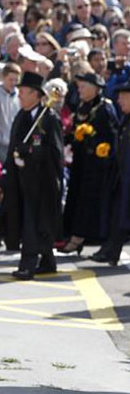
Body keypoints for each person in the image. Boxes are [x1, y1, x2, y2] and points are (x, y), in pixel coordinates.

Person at [8, 72, 64, 280]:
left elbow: (55, 151)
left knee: (35, 221)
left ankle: (28, 264)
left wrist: (31, 151)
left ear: (36, 94)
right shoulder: (22, 116)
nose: (20, 96)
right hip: (23, 178)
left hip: (43, 180)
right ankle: (48, 261)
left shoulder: (49, 118)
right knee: (30, 220)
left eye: (23, 92)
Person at [61, 72, 118, 254]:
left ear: (95, 88)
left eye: (83, 87)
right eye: (79, 87)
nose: (80, 90)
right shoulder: (81, 106)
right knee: (77, 197)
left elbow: (111, 134)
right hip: (80, 162)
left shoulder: (104, 107)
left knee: (90, 201)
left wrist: (94, 140)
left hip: (97, 164)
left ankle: (80, 237)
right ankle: (74, 235)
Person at [91, 83, 130, 266]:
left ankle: (111, 250)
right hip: (121, 177)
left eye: (123, 96)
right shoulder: (125, 120)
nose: (119, 100)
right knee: (117, 215)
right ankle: (111, 250)